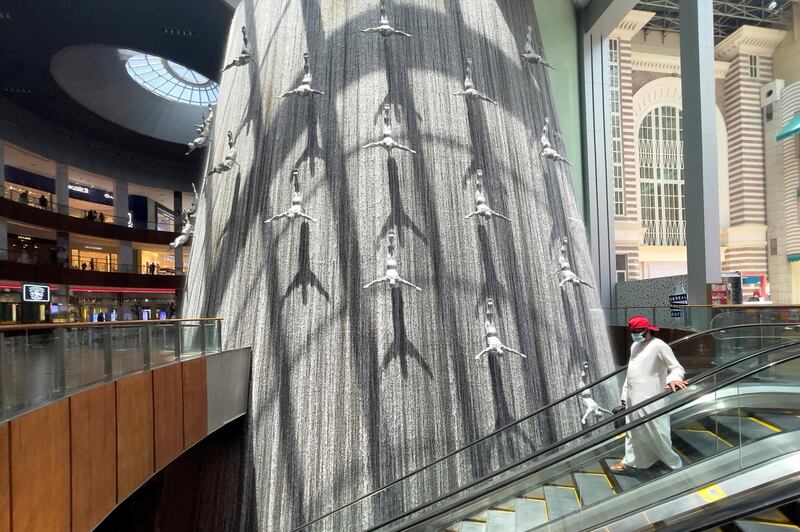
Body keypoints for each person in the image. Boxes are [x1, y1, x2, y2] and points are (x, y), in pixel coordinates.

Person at [611, 315, 687, 472]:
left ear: (647, 331)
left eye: (638, 331)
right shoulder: (635, 346)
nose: (635, 334)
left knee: (657, 431)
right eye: (633, 331)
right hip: (633, 398)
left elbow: (677, 367)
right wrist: (624, 397)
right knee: (633, 432)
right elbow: (630, 372)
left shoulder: (659, 346)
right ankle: (630, 461)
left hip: (651, 398)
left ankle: (673, 463)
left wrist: (673, 379)